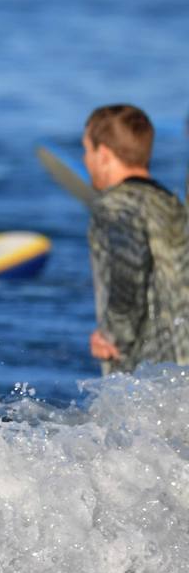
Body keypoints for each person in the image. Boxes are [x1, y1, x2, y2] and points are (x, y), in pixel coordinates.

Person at [81, 104, 189, 374]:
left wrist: (112, 334)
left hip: (153, 373)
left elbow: (128, 269)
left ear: (104, 155)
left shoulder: (115, 205)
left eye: (87, 150)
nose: (85, 160)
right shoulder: (171, 204)